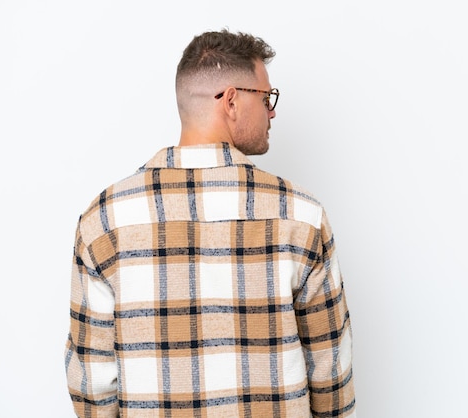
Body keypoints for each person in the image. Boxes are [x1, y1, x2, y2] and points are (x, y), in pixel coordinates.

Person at [64, 28, 356, 417]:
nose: (272, 111)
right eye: (266, 98)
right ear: (232, 100)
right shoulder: (300, 216)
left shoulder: (105, 220)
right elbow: (330, 372)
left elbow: (92, 382)